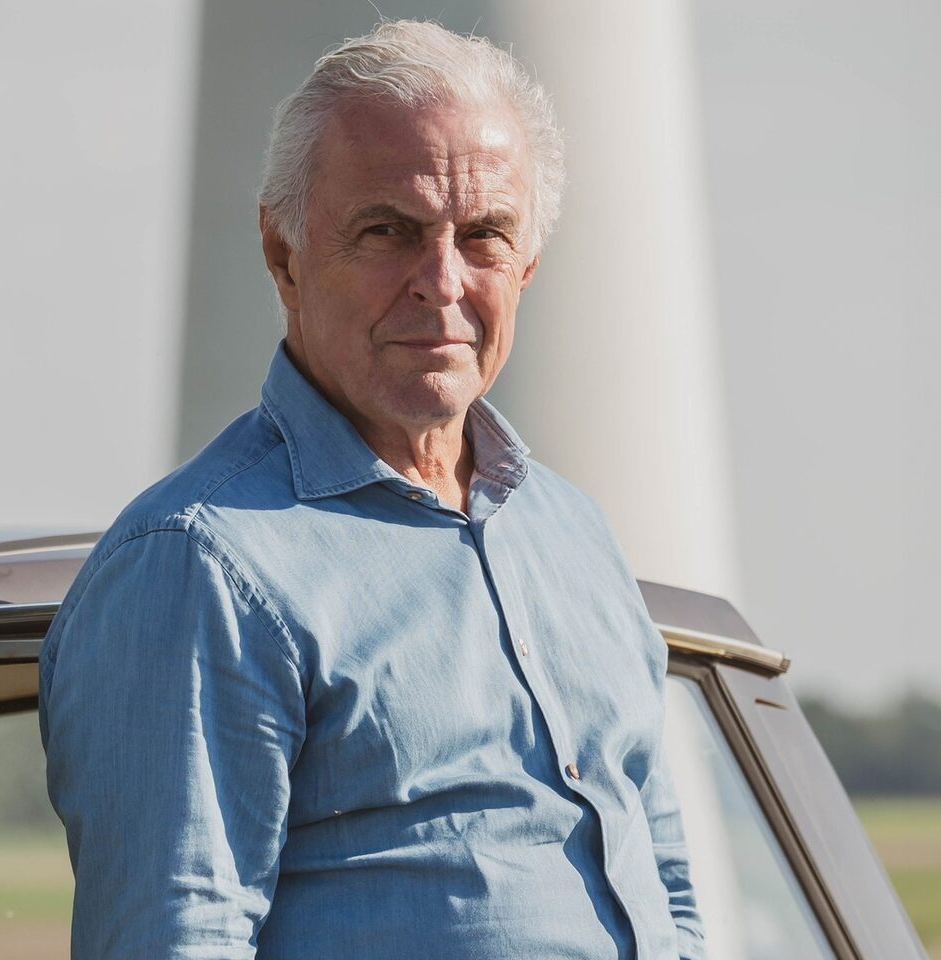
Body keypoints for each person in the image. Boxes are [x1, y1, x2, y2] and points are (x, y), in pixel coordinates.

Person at [40, 19, 705, 960]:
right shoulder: (201, 566)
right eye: (389, 231)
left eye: (484, 237)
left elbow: (663, 880)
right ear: (284, 256)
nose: (442, 282)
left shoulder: (571, 531)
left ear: (526, 267)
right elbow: (176, 938)